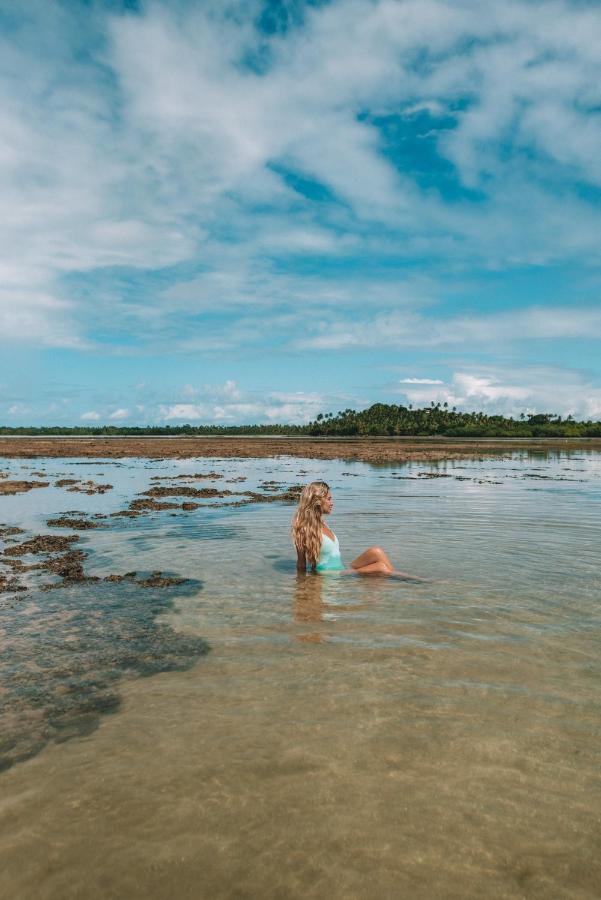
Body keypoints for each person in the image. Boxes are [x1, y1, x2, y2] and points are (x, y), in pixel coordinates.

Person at [291, 480, 414, 576]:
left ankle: (406, 578)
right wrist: (302, 587)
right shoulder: (304, 529)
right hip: (330, 575)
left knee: (376, 552)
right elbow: (301, 564)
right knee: (381, 567)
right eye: (329, 499)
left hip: (341, 569)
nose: (332, 503)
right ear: (317, 501)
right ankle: (411, 581)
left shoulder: (323, 523)